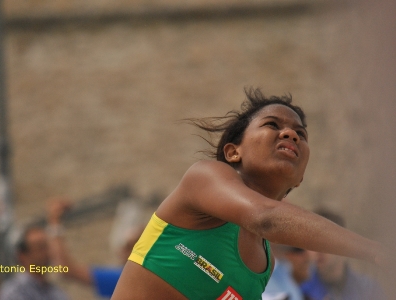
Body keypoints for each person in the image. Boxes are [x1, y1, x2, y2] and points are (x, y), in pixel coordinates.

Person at [111, 87, 389, 300]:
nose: (291, 134)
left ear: (300, 178)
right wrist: (376, 251)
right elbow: (266, 217)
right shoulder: (204, 177)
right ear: (233, 152)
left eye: (300, 134)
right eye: (273, 125)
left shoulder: (264, 263)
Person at [46, 198, 143, 299]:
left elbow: (65, 269)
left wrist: (54, 222)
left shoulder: (123, 279)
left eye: (128, 246)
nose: (121, 250)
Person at [301, 208, 387, 300]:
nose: (317, 251)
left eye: (324, 243)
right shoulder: (300, 290)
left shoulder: (369, 291)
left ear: (343, 245)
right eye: (311, 244)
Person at [0, 225, 69, 300]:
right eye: (41, 247)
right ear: (22, 256)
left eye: (47, 247)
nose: (47, 253)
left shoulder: (55, 292)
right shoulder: (14, 292)